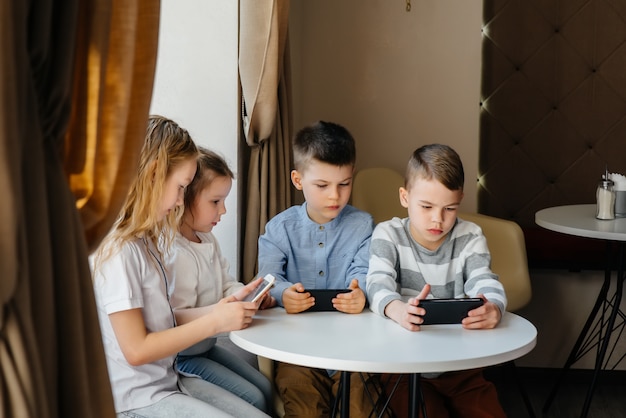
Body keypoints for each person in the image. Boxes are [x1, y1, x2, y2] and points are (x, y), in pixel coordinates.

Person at [91, 115, 270, 418]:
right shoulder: (117, 250)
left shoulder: (146, 240)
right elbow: (136, 350)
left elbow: (162, 319)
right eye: (180, 187)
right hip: (135, 400)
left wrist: (219, 309)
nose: (179, 202)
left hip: (166, 382)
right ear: (153, 175)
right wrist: (215, 323)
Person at [365, 143, 508, 418]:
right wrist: (396, 309)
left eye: (450, 208)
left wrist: (494, 307)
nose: (438, 219)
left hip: (460, 363)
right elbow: (377, 284)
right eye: (426, 206)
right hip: (403, 365)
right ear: (405, 197)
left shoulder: (470, 235)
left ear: (460, 200)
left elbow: (484, 280)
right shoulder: (388, 234)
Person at [257, 120, 377, 418]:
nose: (335, 196)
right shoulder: (279, 228)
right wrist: (284, 294)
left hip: (353, 349)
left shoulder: (363, 226)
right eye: (322, 186)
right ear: (298, 180)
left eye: (344, 184)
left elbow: (367, 271)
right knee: (303, 407)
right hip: (296, 348)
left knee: (362, 407)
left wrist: (361, 292)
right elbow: (266, 279)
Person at [167, 147, 274, 414]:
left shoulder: (206, 239)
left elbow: (226, 283)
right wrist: (223, 313)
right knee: (255, 399)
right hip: (183, 356)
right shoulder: (175, 253)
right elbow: (173, 318)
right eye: (215, 202)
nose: (223, 210)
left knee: (265, 387)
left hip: (206, 346)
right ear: (185, 197)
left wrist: (250, 296)